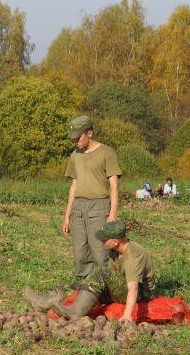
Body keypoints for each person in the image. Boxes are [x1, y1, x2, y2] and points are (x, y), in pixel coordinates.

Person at [24, 220, 155, 322]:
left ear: (115, 241)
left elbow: (133, 287)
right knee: (85, 282)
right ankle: (41, 304)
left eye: (105, 239)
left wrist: (127, 314)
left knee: (100, 272)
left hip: (140, 294)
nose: (102, 241)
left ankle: (75, 311)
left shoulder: (134, 254)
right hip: (122, 287)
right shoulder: (115, 251)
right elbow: (109, 279)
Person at [62, 116, 122, 280]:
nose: (75, 140)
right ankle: (84, 289)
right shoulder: (75, 155)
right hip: (78, 209)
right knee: (80, 255)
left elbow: (114, 185)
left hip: (99, 207)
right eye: (72, 137)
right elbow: (74, 186)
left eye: (78, 136)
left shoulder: (106, 152)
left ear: (89, 133)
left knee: (100, 253)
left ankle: (105, 288)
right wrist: (67, 216)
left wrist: (113, 215)